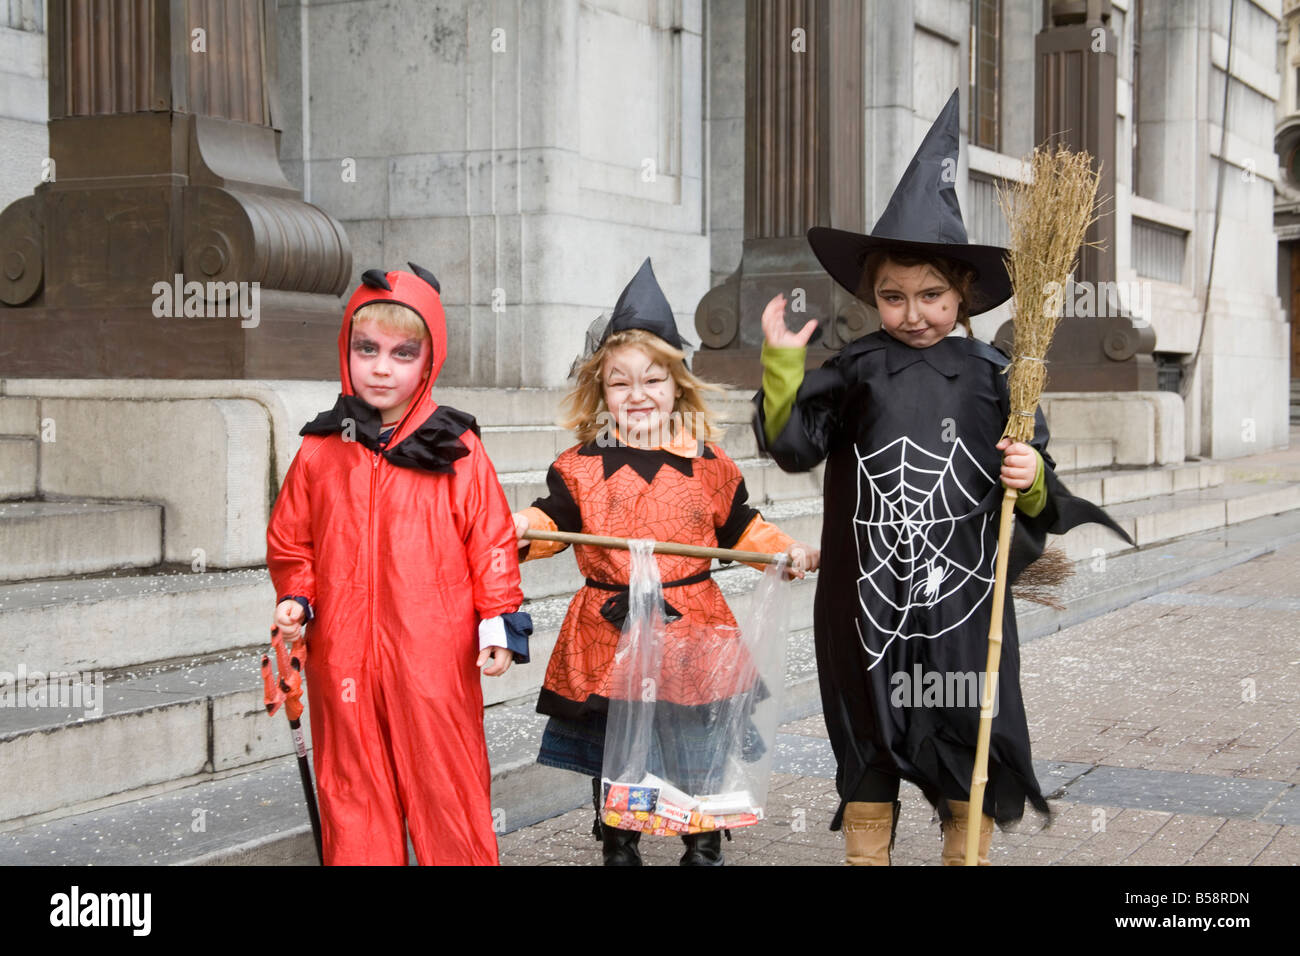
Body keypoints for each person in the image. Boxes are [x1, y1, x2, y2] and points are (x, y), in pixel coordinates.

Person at [753, 91, 1130, 865]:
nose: (913, 312)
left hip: (961, 600)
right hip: (863, 595)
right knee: (867, 729)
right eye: (893, 296)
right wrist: (783, 363)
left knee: (967, 727)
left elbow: (1040, 495)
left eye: (931, 295)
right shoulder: (855, 368)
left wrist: (1028, 478)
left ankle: (966, 853)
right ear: (871, 296)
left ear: (962, 295)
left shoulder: (998, 375)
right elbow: (793, 445)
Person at [513, 258, 819, 866]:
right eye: (620, 383)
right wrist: (525, 528)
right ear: (601, 392)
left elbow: (742, 528)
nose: (638, 395)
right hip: (610, 631)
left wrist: (782, 553)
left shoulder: (708, 464)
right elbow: (555, 524)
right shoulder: (579, 465)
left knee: (693, 744)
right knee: (615, 745)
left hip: (692, 629)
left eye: (653, 380)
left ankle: (702, 845)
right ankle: (619, 845)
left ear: (677, 386)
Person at [266, 263, 531, 866]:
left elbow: (489, 540)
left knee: (447, 788)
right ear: (347, 350)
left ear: (429, 359)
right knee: (352, 794)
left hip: (432, 657)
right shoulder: (319, 450)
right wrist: (297, 594)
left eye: (402, 353)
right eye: (367, 349)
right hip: (342, 656)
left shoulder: (457, 449)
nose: (381, 367)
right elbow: (291, 540)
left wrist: (498, 619)